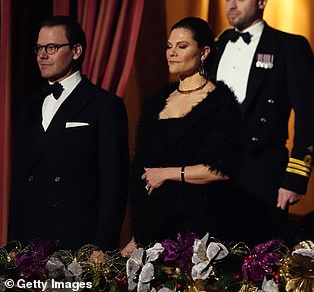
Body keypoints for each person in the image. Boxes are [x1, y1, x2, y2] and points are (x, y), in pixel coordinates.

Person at [209, 0, 314, 243]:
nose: (231, 6)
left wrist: (294, 178)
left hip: (262, 171)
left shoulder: (289, 47)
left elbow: (309, 117)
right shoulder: (218, 44)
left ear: (261, 0)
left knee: (260, 259)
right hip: (213, 169)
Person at [8, 16, 129, 251]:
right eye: (39, 48)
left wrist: (101, 247)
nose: (42, 55)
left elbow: (114, 184)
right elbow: (20, 183)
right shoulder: (28, 107)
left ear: (76, 51)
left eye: (51, 48)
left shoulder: (104, 105)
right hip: (30, 243)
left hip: (77, 243)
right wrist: (13, 247)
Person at [123, 17, 241, 252]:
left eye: (182, 46)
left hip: (199, 232)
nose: (172, 53)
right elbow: (142, 171)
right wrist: (139, 234)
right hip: (154, 229)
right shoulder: (157, 102)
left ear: (204, 52)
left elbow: (222, 169)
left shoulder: (221, 103)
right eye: (169, 46)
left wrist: (167, 173)